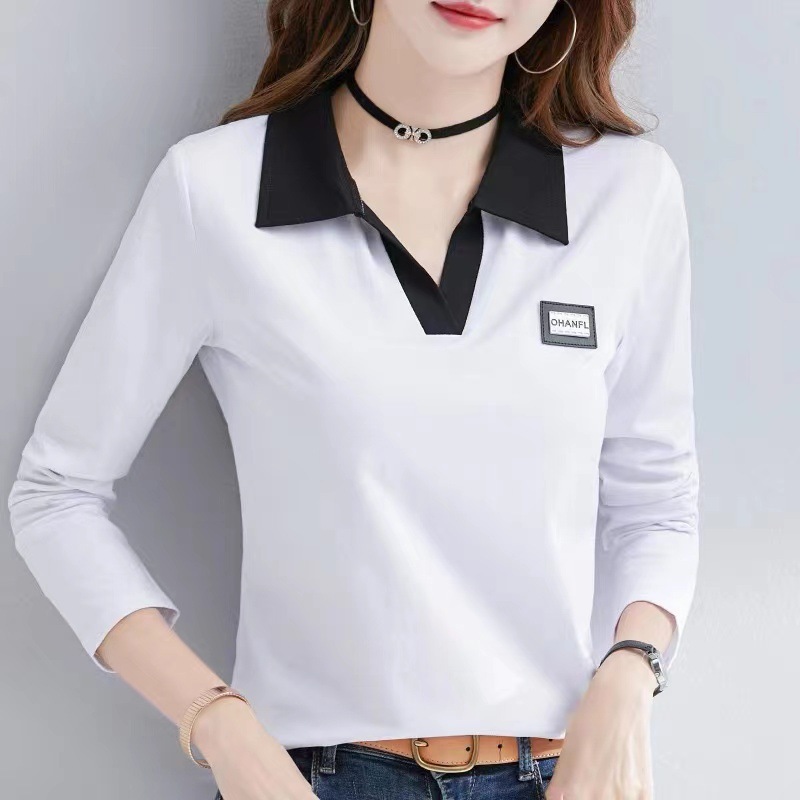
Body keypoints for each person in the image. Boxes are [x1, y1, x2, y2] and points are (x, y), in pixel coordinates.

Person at [7, 1, 700, 798]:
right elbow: (55, 494)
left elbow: (657, 504)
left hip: (569, 773)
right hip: (319, 779)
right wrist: (219, 724)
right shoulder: (218, 188)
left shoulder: (628, 193)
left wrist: (631, 673)